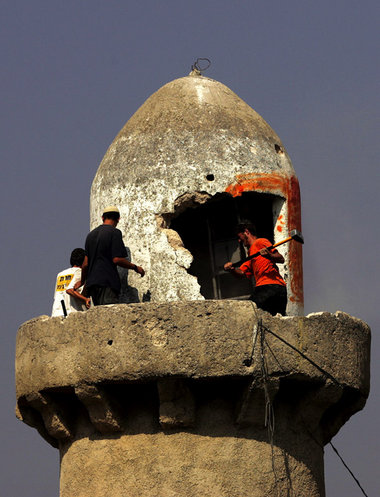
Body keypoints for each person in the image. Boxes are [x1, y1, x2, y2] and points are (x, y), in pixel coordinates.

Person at [81, 206, 145, 306]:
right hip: (107, 281)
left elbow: (85, 264)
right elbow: (117, 259)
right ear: (118, 219)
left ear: (102, 218)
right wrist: (135, 267)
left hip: (92, 284)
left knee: (99, 315)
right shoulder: (114, 233)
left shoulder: (90, 235)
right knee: (108, 314)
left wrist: (82, 282)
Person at [224, 222, 287, 316]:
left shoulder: (260, 242)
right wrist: (232, 270)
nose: (239, 241)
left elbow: (281, 258)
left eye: (239, 236)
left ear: (246, 232)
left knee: (248, 311)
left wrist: (269, 255)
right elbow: (242, 273)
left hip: (270, 287)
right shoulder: (251, 254)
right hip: (278, 290)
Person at [51, 248, 91, 317]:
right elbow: (71, 291)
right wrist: (86, 299)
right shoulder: (79, 272)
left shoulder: (60, 274)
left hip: (56, 313)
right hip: (71, 314)